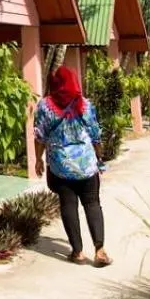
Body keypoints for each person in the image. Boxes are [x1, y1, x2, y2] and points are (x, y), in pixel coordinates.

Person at [32, 66, 110, 266]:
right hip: (86, 165)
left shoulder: (45, 106)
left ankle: (78, 252)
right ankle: (100, 250)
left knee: (69, 205)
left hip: (61, 165)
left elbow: (39, 136)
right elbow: (95, 133)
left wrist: (38, 159)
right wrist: (99, 156)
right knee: (92, 203)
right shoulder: (85, 105)